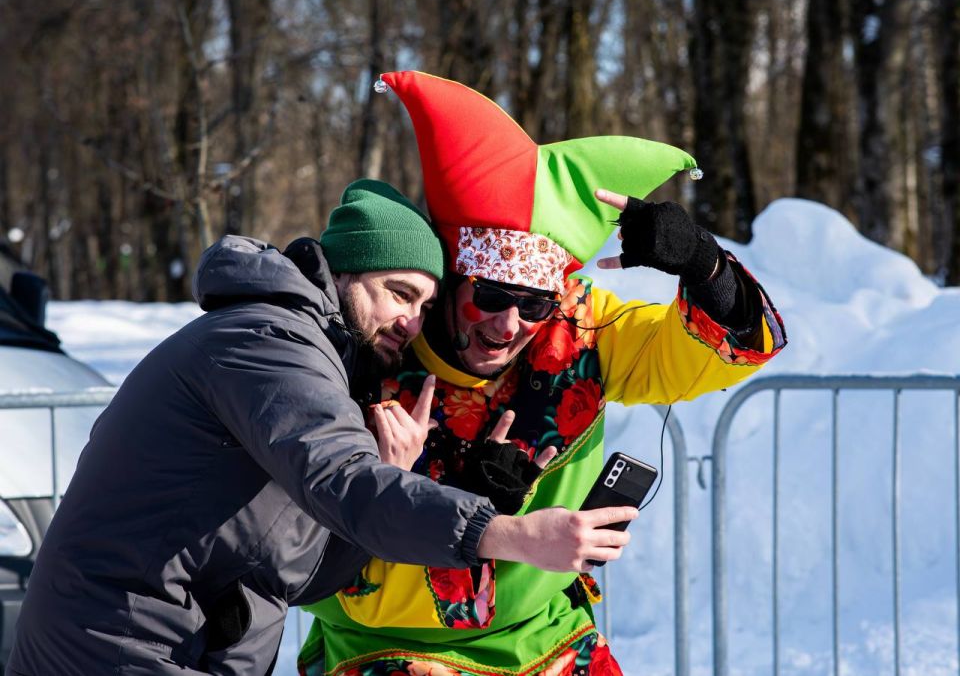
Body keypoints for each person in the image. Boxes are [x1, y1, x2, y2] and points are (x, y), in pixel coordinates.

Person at [5, 179, 639, 676]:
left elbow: (313, 575)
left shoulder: (321, 361)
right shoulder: (268, 341)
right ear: (345, 274)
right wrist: (512, 535)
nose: (412, 322)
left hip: (171, 644)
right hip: (119, 645)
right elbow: (346, 484)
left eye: (423, 304)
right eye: (398, 292)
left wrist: (401, 478)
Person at [298, 72, 787, 676]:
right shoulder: (375, 343)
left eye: (532, 304)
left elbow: (728, 354)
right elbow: (313, 560)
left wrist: (703, 264)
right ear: (452, 281)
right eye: (493, 295)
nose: (509, 326)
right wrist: (472, 510)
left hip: (544, 639)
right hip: (385, 645)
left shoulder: (578, 329)